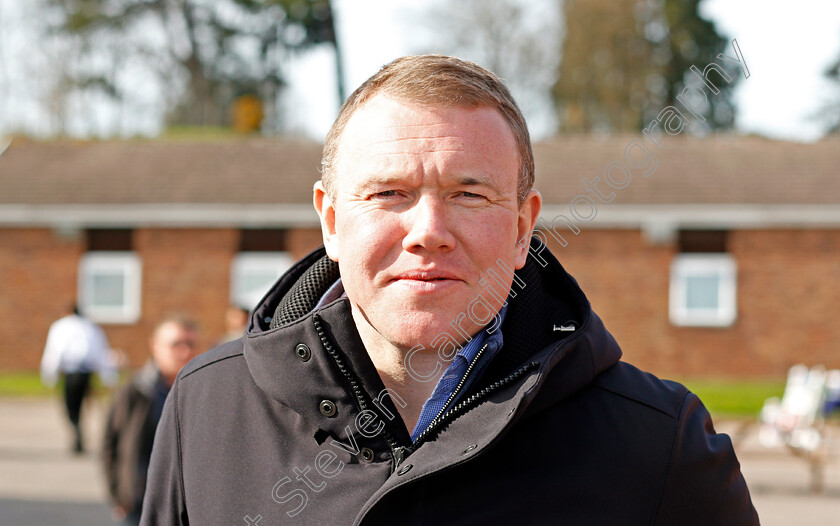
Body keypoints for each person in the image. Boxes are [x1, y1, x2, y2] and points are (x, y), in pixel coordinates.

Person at [141, 55, 759, 525]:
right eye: (389, 194)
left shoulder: (661, 445)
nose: (428, 233)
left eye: (469, 194)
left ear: (523, 228)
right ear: (330, 220)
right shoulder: (206, 406)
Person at [102, 314, 199, 525]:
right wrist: (118, 494)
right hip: (140, 500)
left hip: (188, 502)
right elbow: (111, 443)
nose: (184, 352)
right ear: (155, 346)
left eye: (190, 344)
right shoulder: (136, 391)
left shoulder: (202, 392)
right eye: (176, 344)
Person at [41, 304, 117, 453]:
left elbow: (54, 351)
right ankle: (78, 431)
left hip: (71, 373)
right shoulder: (91, 328)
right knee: (81, 404)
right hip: (85, 373)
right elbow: (100, 352)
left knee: (71, 406)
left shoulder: (60, 327)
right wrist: (107, 375)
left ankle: (76, 430)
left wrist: (50, 374)